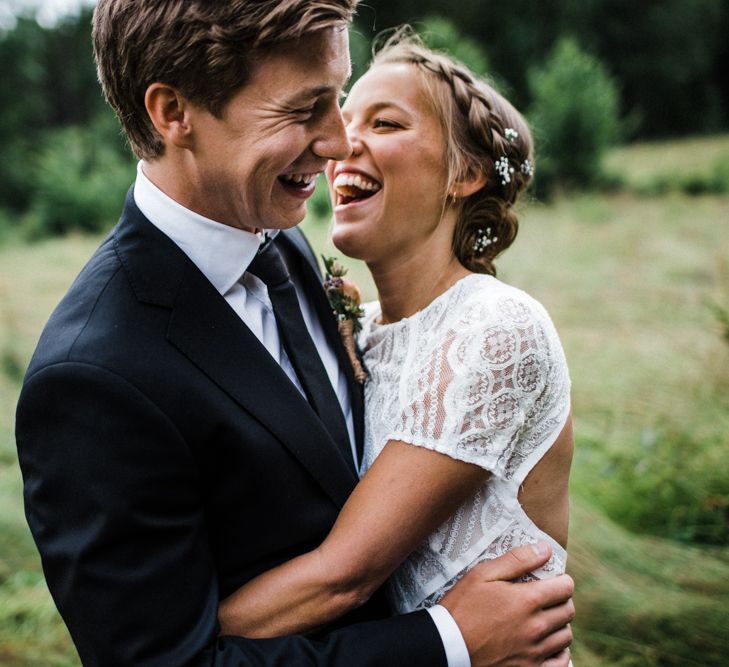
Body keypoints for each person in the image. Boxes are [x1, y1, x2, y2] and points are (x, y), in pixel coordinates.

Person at [15, 2, 573, 665]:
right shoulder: (93, 377)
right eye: (304, 109)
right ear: (173, 113)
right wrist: (445, 640)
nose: (338, 142)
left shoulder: (282, 239)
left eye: (339, 98)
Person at [216, 30, 574, 660]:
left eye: (384, 123)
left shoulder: (494, 327)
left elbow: (344, 576)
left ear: (464, 174)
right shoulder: (365, 330)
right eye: (342, 120)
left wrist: (165, 646)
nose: (341, 145)